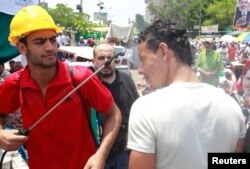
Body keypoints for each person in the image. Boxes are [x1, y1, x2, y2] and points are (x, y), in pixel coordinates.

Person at [0, 5, 122, 169]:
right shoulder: (15, 83)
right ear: (22, 48)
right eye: (40, 42)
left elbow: (113, 113)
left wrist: (101, 154)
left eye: (52, 39)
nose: (50, 47)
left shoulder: (79, 77)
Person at [127, 19, 246, 169]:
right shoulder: (232, 107)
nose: (140, 70)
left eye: (143, 59)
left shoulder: (145, 109)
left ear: (163, 51)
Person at [93, 43, 139, 169]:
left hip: (123, 151)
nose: (106, 62)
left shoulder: (126, 79)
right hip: (97, 152)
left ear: (116, 60)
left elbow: (137, 110)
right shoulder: (89, 83)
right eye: (101, 58)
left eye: (110, 58)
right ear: (94, 61)